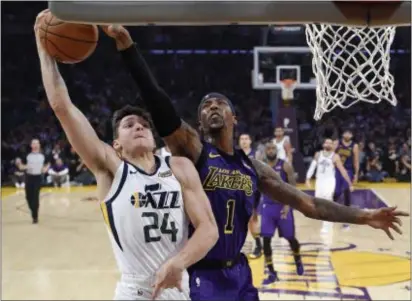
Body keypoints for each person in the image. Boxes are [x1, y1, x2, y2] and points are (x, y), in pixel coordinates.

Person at [106, 24, 408, 301]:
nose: (212, 107)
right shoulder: (195, 152)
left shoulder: (253, 168)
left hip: (239, 272)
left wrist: (364, 216)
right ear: (198, 122)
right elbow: (160, 105)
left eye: (219, 104)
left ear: (233, 117)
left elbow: (310, 204)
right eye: (206, 106)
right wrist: (129, 49)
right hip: (201, 274)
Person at [34, 10, 218, 301]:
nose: (139, 126)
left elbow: (209, 229)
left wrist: (178, 262)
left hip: (178, 289)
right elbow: (62, 107)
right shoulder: (110, 168)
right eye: (129, 125)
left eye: (144, 124)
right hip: (134, 291)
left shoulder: (180, 167)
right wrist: (44, 49)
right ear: (116, 144)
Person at [256, 142, 304, 285]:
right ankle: (271, 272)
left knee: (291, 239)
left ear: (277, 151)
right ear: (265, 151)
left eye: (273, 148)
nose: (271, 151)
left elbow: (293, 188)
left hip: (283, 207)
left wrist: (288, 205)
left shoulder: (285, 165)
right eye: (268, 148)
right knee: (266, 240)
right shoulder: (261, 167)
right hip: (267, 207)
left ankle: (298, 259)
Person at [306, 138, 353, 233]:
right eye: (326, 142)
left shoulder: (335, 156)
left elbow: (342, 170)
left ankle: (327, 225)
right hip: (319, 181)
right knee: (318, 203)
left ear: (332, 146)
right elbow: (312, 166)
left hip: (329, 182)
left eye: (330, 143)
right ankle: (328, 220)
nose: (328, 144)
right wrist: (307, 178)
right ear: (323, 144)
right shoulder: (318, 154)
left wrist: (349, 183)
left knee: (327, 201)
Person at [238, 133, 263, 260]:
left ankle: (258, 244)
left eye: (246, 139)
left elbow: (260, 172)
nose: (244, 141)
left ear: (250, 141)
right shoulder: (234, 154)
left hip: (252, 189)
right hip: (237, 189)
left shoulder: (256, 154)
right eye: (241, 139)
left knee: (252, 218)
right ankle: (237, 246)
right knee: (237, 218)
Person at [17, 138, 49, 224]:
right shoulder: (27, 155)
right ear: (31, 145)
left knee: (35, 197)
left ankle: (35, 216)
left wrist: (46, 168)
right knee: (28, 197)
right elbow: (20, 166)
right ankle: (33, 211)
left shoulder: (43, 155)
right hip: (29, 177)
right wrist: (21, 165)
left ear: (39, 145)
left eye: (36, 143)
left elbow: (48, 163)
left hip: (38, 178)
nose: (35, 145)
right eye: (33, 143)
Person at [334, 129, 359, 206]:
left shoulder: (354, 146)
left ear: (352, 136)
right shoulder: (337, 143)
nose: (347, 135)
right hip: (337, 169)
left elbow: (356, 161)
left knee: (346, 188)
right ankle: (332, 204)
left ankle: (347, 207)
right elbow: (331, 155)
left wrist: (356, 174)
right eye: (346, 133)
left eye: (349, 133)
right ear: (343, 134)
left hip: (348, 170)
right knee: (337, 191)